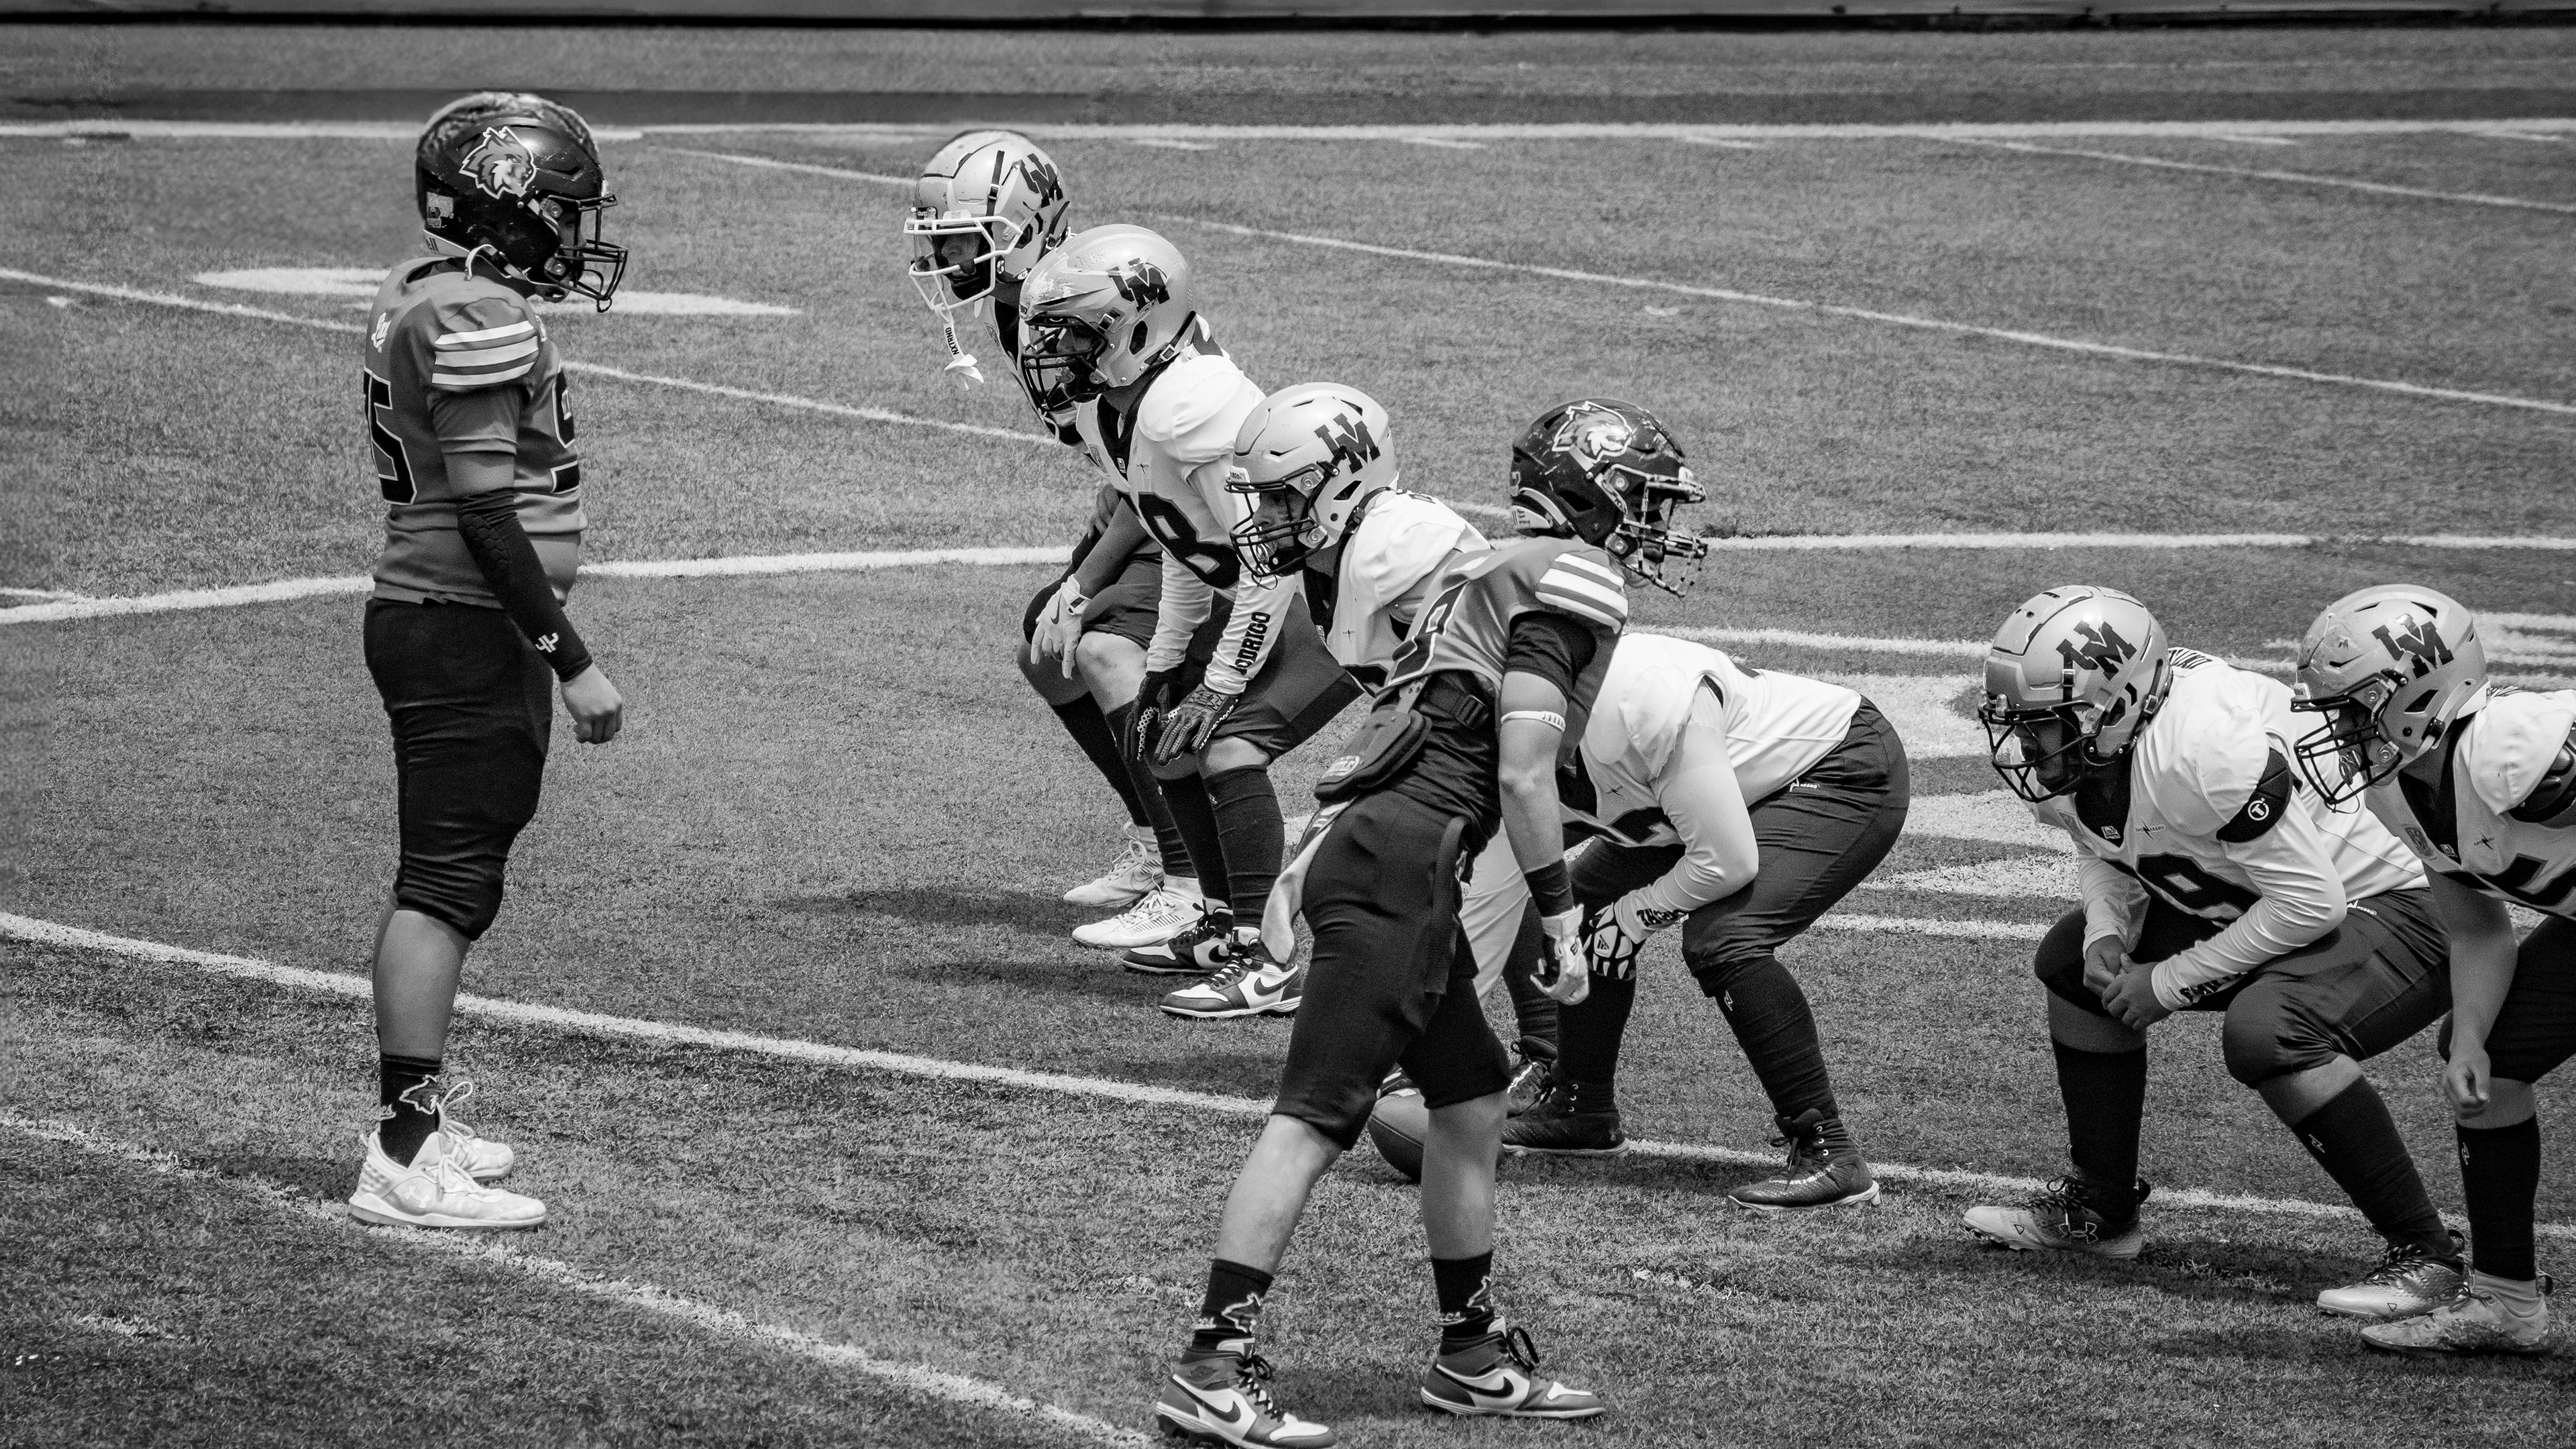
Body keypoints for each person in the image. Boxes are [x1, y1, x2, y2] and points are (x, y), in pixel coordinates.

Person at [1152, 402, 1659, 1446]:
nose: (1653, 520)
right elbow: (1522, 772)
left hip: (1386, 850)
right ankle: (1212, 1364)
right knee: (1313, 1117)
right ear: (1591, 497)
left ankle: (1471, 1353)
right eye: (1641, 497)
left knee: (1469, 1098)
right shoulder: (1570, 574)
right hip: (1401, 863)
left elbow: (1430, 733)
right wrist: (1561, 916)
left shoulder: (1485, 573)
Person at [1962, 587, 2459, 1326]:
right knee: (2075, 964)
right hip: (2268, 891)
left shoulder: (2204, 748)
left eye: (2043, 725)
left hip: (2400, 903)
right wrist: (2106, 931)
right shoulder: (2093, 747)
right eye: (2022, 724)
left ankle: (2430, 1256)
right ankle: (2101, 1211)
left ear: (2116, 705)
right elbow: (2104, 846)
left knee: (2270, 1031)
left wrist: (2168, 982)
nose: (2028, 747)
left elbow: (2311, 904)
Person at [347, 92, 628, 1231]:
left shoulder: (432, 288)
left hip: (447, 618)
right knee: (446, 885)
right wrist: (571, 657)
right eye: (561, 210)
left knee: (452, 876)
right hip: (462, 621)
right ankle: (403, 1153)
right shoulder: (473, 310)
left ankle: (416, 1119)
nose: (573, 233)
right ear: (506, 206)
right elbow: (485, 514)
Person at [1019, 227, 1364, 1006]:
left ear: (1135, 328)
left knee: (1228, 747)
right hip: (1271, 591)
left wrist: (1221, 682)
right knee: (1164, 737)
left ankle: (1267, 960)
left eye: (1071, 333)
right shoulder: (1125, 407)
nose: (1052, 351)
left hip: (1343, 603)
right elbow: (1185, 543)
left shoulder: (1190, 402)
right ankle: (1220, 922)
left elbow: (1269, 561)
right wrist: (1170, 661)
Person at [1181, 382, 1555, 1071]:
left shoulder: (1402, 545)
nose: (1265, 517)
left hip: (1519, 729)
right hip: (1463, 729)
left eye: (1281, 499)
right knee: (1458, 878)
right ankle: (1512, 1058)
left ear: (1340, 485)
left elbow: (1484, 664)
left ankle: (1528, 1060)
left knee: (1438, 878)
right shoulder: (1340, 551)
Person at [1492, 630, 1911, 1214]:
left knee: (1724, 938)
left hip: (1834, 766)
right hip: (1686, 794)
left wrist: (1633, 917)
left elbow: (1727, 862)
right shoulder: (1504, 716)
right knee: (1570, 905)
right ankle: (1579, 1103)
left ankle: (1830, 1151)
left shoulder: (1644, 700)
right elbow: (1494, 867)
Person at [903, 131, 1199, 922]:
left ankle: (1190, 882)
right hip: (1146, 490)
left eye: (964, 239)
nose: (946, 259)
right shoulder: (1023, 299)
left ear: (1025, 226)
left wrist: (1086, 581)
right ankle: (1158, 839)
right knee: (1047, 652)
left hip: (1208, 508)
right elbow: (1123, 454)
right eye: (943, 240)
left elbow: (1165, 461)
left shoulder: (1086, 302)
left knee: (1095, 648)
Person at [2293, 586, 2573, 1356]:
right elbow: (2478, 929)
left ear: (2421, 692)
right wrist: (2473, 1037)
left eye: (2356, 711)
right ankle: (2507, 1305)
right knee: (2491, 1058)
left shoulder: (2516, 749)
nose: (2341, 731)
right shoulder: (2400, 788)